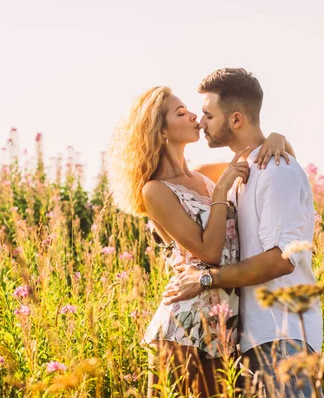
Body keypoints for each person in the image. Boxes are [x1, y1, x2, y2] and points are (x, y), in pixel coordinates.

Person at [107, 86, 294, 397]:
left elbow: (269, 161)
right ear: (160, 131)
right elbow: (208, 252)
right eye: (181, 113)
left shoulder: (207, 173)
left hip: (224, 326)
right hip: (185, 327)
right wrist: (220, 193)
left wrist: (278, 138)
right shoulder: (155, 191)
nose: (194, 115)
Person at [163, 68, 324, 397]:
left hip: (283, 336)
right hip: (250, 339)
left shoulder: (277, 170)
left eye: (208, 114)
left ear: (236, 119)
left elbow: (282, 259)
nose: (201, 121)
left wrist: (207, 278)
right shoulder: (241, 169)